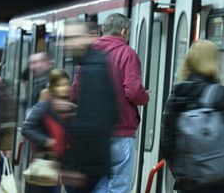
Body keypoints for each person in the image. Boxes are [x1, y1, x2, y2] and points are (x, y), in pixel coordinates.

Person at [161, 40, 224, 193]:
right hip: (220, 178)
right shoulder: (221, 93)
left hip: (189, 180)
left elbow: (167, 142)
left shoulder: (177, 93)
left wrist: (180, 170)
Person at [90, 13, 149, 193]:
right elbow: (132, 91)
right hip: (120, 131)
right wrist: (144, 96)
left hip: (94, 132)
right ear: (124, 32)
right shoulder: (127, 54)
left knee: (98, 182)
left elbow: (75, 92)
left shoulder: (89, 54)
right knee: (118, 184)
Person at [65, 21, 118, 193]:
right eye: (66, 38)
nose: (67, 43)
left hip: (87, 166)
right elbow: (113, 114)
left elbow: (94, 123)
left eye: (73, 37)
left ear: (89, 38)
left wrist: (74, 165)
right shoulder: (93, 64)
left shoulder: (92, 69)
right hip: (94, 162)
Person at [22, 69, 76, 193]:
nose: (64, 88)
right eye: (59, 85)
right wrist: (46, 141)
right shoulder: (44, 106)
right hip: (46, 164)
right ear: (53, 87)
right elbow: (26, 128)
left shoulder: (72, 108)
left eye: (66, 84)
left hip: (65, 164)